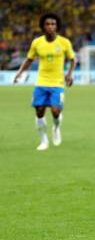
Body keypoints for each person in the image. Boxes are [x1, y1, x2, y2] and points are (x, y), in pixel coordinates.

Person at [13, 13, 76, 150]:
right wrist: (20, 72)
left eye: (53, 24)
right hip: (41, 82)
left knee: (55, 111)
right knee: (39, 111)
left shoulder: (64, 42)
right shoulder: (37, 43)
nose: (50, 27)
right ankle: (44, 141)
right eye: (47, 24)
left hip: (57, 83)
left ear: (57, 26)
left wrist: (69, 75)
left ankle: (56, 128)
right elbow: (29, 59)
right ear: (43, 26)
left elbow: (73, 59)